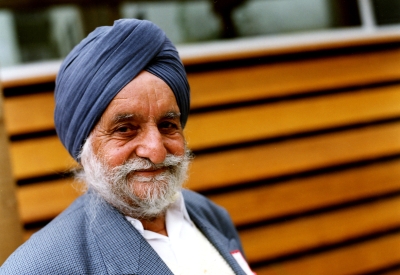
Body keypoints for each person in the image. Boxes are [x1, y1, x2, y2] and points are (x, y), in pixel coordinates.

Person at [0, 19, 254, 275]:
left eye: (167, 125)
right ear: (84, 146)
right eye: (125, 129)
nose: (156, 151)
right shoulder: (36, 269)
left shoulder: (211, 216)